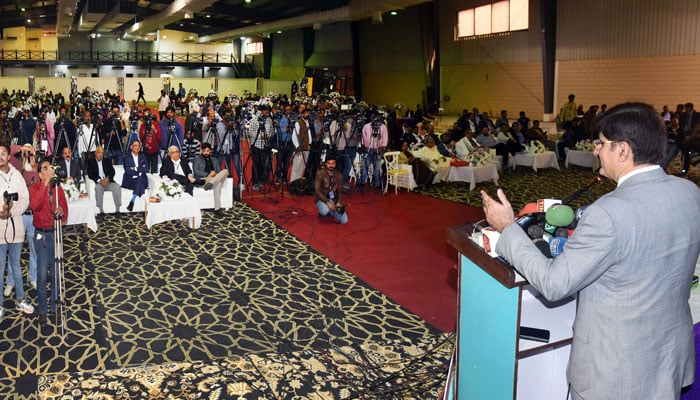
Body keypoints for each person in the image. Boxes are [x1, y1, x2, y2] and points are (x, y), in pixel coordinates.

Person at [480, 102, 700, 400]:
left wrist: (508, 229)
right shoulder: (688, 192)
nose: (595, 150)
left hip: (614, 372)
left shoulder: (609, 213)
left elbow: (554, 283)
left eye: (601, 143)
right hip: (667, 359)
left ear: (622, 151)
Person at [31, 158, 68, 327]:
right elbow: (36, 205)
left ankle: (55, 309)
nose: (50, 170)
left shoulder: (58, 189)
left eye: (50, 167)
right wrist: (45, 184)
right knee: (42, 275)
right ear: (40, 173)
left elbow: (65, 212)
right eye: (45, 168)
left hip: (55, 235)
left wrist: (61, 212)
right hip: (41, 236)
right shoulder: (36, 188)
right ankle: (43, 311)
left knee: (55, 274)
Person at [0, 143, 35, 320]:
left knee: (16, 265)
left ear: (8, 156)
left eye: (3, 153)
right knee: (0, 268)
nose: (1, 156)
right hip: (0, 230)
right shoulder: (9, 166)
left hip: (16, 228)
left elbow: (25, 199)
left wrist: (11, 211)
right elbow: (12, 148)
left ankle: (20, 299)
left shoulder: (16, 175)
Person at [193, 143, 229, 217]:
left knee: (225, 171)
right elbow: (196, 171)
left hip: (214, 178)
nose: (206, 153)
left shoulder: (214, 159)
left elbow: (219, 171)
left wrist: (214, 174)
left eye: (207, 151)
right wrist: (208, 175)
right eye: (204, 151)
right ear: (201, 151)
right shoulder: (197, 159)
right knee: (218, 184)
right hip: (204, 179)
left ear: (210, 151)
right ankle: (217, 209)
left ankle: (213, 181)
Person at [86, 146, 121, 217]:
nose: (100, 155)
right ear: (95, 153)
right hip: (99, 183)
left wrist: (108, 178)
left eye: (102, 153)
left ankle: (117, 210)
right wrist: (99, 180)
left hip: (108, 182)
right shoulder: (91, 161)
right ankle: (101, 211)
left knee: (117, 187)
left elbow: (112, 171)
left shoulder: (107, 160)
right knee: (98, 188)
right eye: (99, 152)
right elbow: (90, 174)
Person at [313, 154, 347, 224]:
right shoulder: (320, 173)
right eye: (329, 163)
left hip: (333, 200)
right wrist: (327, 202)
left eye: (333, 163)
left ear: (335, 164)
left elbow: (340, 191)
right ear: (325, 164)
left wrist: (338, 203)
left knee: (344, 221)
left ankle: (331, 211)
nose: (331, 166)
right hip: (321, 199)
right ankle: (324, 211)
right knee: (324, 210)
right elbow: (317, 191)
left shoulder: (339, 175)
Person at [360, 114, 388, 190]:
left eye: (377, 119)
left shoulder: (383, 127)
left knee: (377, 168)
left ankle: (377, 184)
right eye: (374, 118)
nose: (376, 120)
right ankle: (362, 182)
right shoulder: (366, 126)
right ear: (371, 119)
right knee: (365, 166)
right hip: (368, 150)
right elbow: (363, 137)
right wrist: (364, 147)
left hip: (378, 149)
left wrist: (382, 149)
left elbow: (385, 139)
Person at [121, 140, 149, 212]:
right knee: (140, 179)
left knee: (140, 179)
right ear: (131, 147)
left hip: (141, 180)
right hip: (130, 181)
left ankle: (132, 200)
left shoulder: (143, 156)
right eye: (135, 145)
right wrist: (140, 172)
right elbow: (128, 171)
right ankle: (142, 194)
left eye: (138, 146)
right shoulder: (127, 157)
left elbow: (146, 169)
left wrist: (136, 168)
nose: (137, 147)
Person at [291, 108, 312, 183]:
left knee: (302, 167)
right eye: (306, 113)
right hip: (300, 148)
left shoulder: (308, 123)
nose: (307, 115)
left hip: (307, 148)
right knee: (296, 167)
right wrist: (297, 147)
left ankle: (298, 183)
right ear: (302, 114)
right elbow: (294, 136)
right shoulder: (298, 123)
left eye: (308, 113)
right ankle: (293, 183)